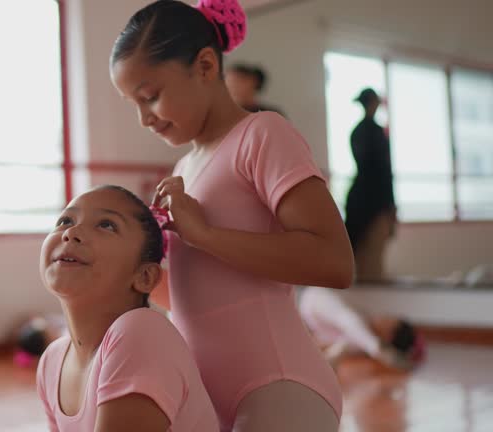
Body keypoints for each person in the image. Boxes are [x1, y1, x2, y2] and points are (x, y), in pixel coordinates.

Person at [110, 1, 354, 431]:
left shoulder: (262, 134)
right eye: (132, 103)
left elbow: (335, 262)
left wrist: (203, 234)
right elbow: (197, 298)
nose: (143, 118)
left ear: (205, 65)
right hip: (204, 395)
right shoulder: (184, 170)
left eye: (150, 97)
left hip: (278, 382)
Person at [36, 185, 219, 431]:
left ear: (144, 276)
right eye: (65, 220)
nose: (71, 232)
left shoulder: (141, 332)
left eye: (106, 224)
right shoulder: (51, 359)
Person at [298, 286, 425, 370]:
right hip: (308, 302)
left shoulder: (358, 341)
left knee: (348, 334)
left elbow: (347, 330)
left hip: (307, 315)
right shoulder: (361, 326)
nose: (386, 315)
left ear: (389, 335)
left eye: (391, 319)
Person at [345, 88, 397, 281]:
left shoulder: (357, 132)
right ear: (373, 103)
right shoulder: (374, 132)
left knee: (362, 255)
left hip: (360, 198)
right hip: (374, 200)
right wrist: (390, 206)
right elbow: (383, 171)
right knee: (371, 259)